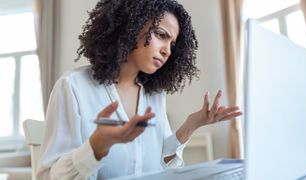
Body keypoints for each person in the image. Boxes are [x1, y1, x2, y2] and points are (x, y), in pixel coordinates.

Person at [37, 0, 242, 179]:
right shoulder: (73, 87)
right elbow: (50, 177)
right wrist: (96, 147)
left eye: (172, 43)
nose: (167, 50)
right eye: (161, 35)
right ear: (130, 25)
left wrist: (191, 125)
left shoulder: (154, 95)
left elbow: (160, 165)